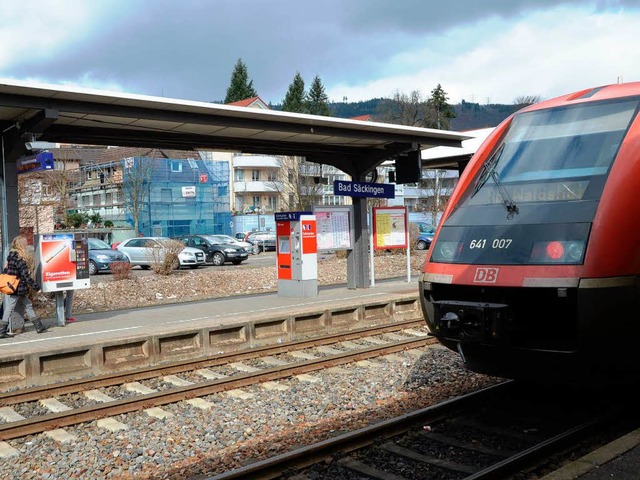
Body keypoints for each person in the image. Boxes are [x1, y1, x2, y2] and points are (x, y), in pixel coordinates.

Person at [0, 235, 49, 338]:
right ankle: (2, 330)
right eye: (25, 244)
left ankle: (39, 326)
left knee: (28, 305)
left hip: (12, 286)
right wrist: (36, 287)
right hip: (19, 288)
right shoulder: (20, 260)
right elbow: (26, 276)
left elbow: (6, 271)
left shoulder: (10, 258)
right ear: (22, 246)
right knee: (10, 307)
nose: (27, 246)